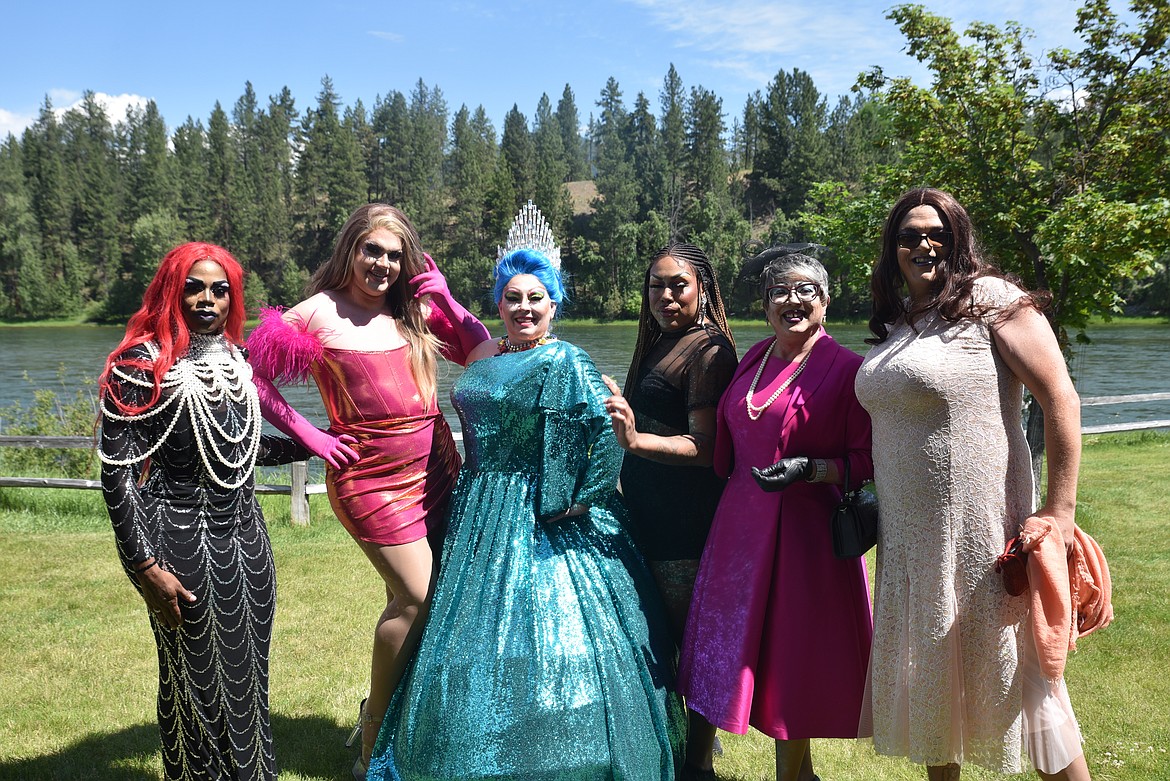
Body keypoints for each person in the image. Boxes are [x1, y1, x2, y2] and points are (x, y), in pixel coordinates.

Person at [366, 203, 684, 781]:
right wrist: (438, 298)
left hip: (543, 512)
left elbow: (607, 436)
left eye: (535, 298)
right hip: (478, 508)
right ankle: (470, 738)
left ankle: (560, 748)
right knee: (475, 630)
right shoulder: (487, 354)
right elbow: (456, 348)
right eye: (513, 298)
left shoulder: (567, 360)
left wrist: (575, 500)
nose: (524, 308)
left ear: (554, 304)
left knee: (549, 624)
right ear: (499, 305)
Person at [244, 203, 491, 779]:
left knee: (437, 603)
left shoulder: (413, 312)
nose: (381, 264)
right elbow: (251, 372)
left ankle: (413, 722)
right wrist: (310, 435)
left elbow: (482, 351)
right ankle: (374, 739)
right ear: (350, 250)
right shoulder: (317, 311)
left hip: (437, 469)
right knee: (415, 596)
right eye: (371, 250)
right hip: (369, 478)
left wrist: (449, 300)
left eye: (393, 254)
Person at [854, 187, 1089, 780]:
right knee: (936, 687)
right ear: (893, 250)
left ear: (957, 240)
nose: (924, 245)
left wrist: (1060, 511)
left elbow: (1060, 398)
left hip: (983, 538)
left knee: (1029, 686)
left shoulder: (993, 302)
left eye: (938, 233)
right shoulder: (899, 321)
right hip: (910, 543)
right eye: (908, 236)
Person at [98, 242, 309, 781]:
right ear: (172, 289)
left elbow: (240, 447)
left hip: (247, 543)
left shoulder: (237, 358)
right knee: (198, 683)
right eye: (194, 286)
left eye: (220, 289)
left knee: (248, 683)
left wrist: (318, 445)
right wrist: (145, 566)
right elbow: (117, 472)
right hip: (175, 539)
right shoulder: (140, 364)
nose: (207, 299)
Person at [677, 249, 874, 781]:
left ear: (826, 301)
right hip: (739, 525)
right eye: (780, 292)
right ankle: (694, 766)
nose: (793, 301)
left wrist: (811, 469)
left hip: (804, 536)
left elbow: (867, 459)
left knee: (793, 656)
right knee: (719, 644)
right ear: (765, 305)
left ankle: (795, 774)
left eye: (805, 290)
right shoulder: (754, 355)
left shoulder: (849, 370)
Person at [601, 241, 738, 779]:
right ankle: (669, 752)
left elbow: (706, 448)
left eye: (677, 284)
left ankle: (698, 766)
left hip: (686, 524)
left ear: (702, 289)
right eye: (656, 285)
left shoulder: (708, 350)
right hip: (646, 517)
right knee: (659, 646)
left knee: (692, 649)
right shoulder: (659, 344)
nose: (665, 295)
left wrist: (635, 443)